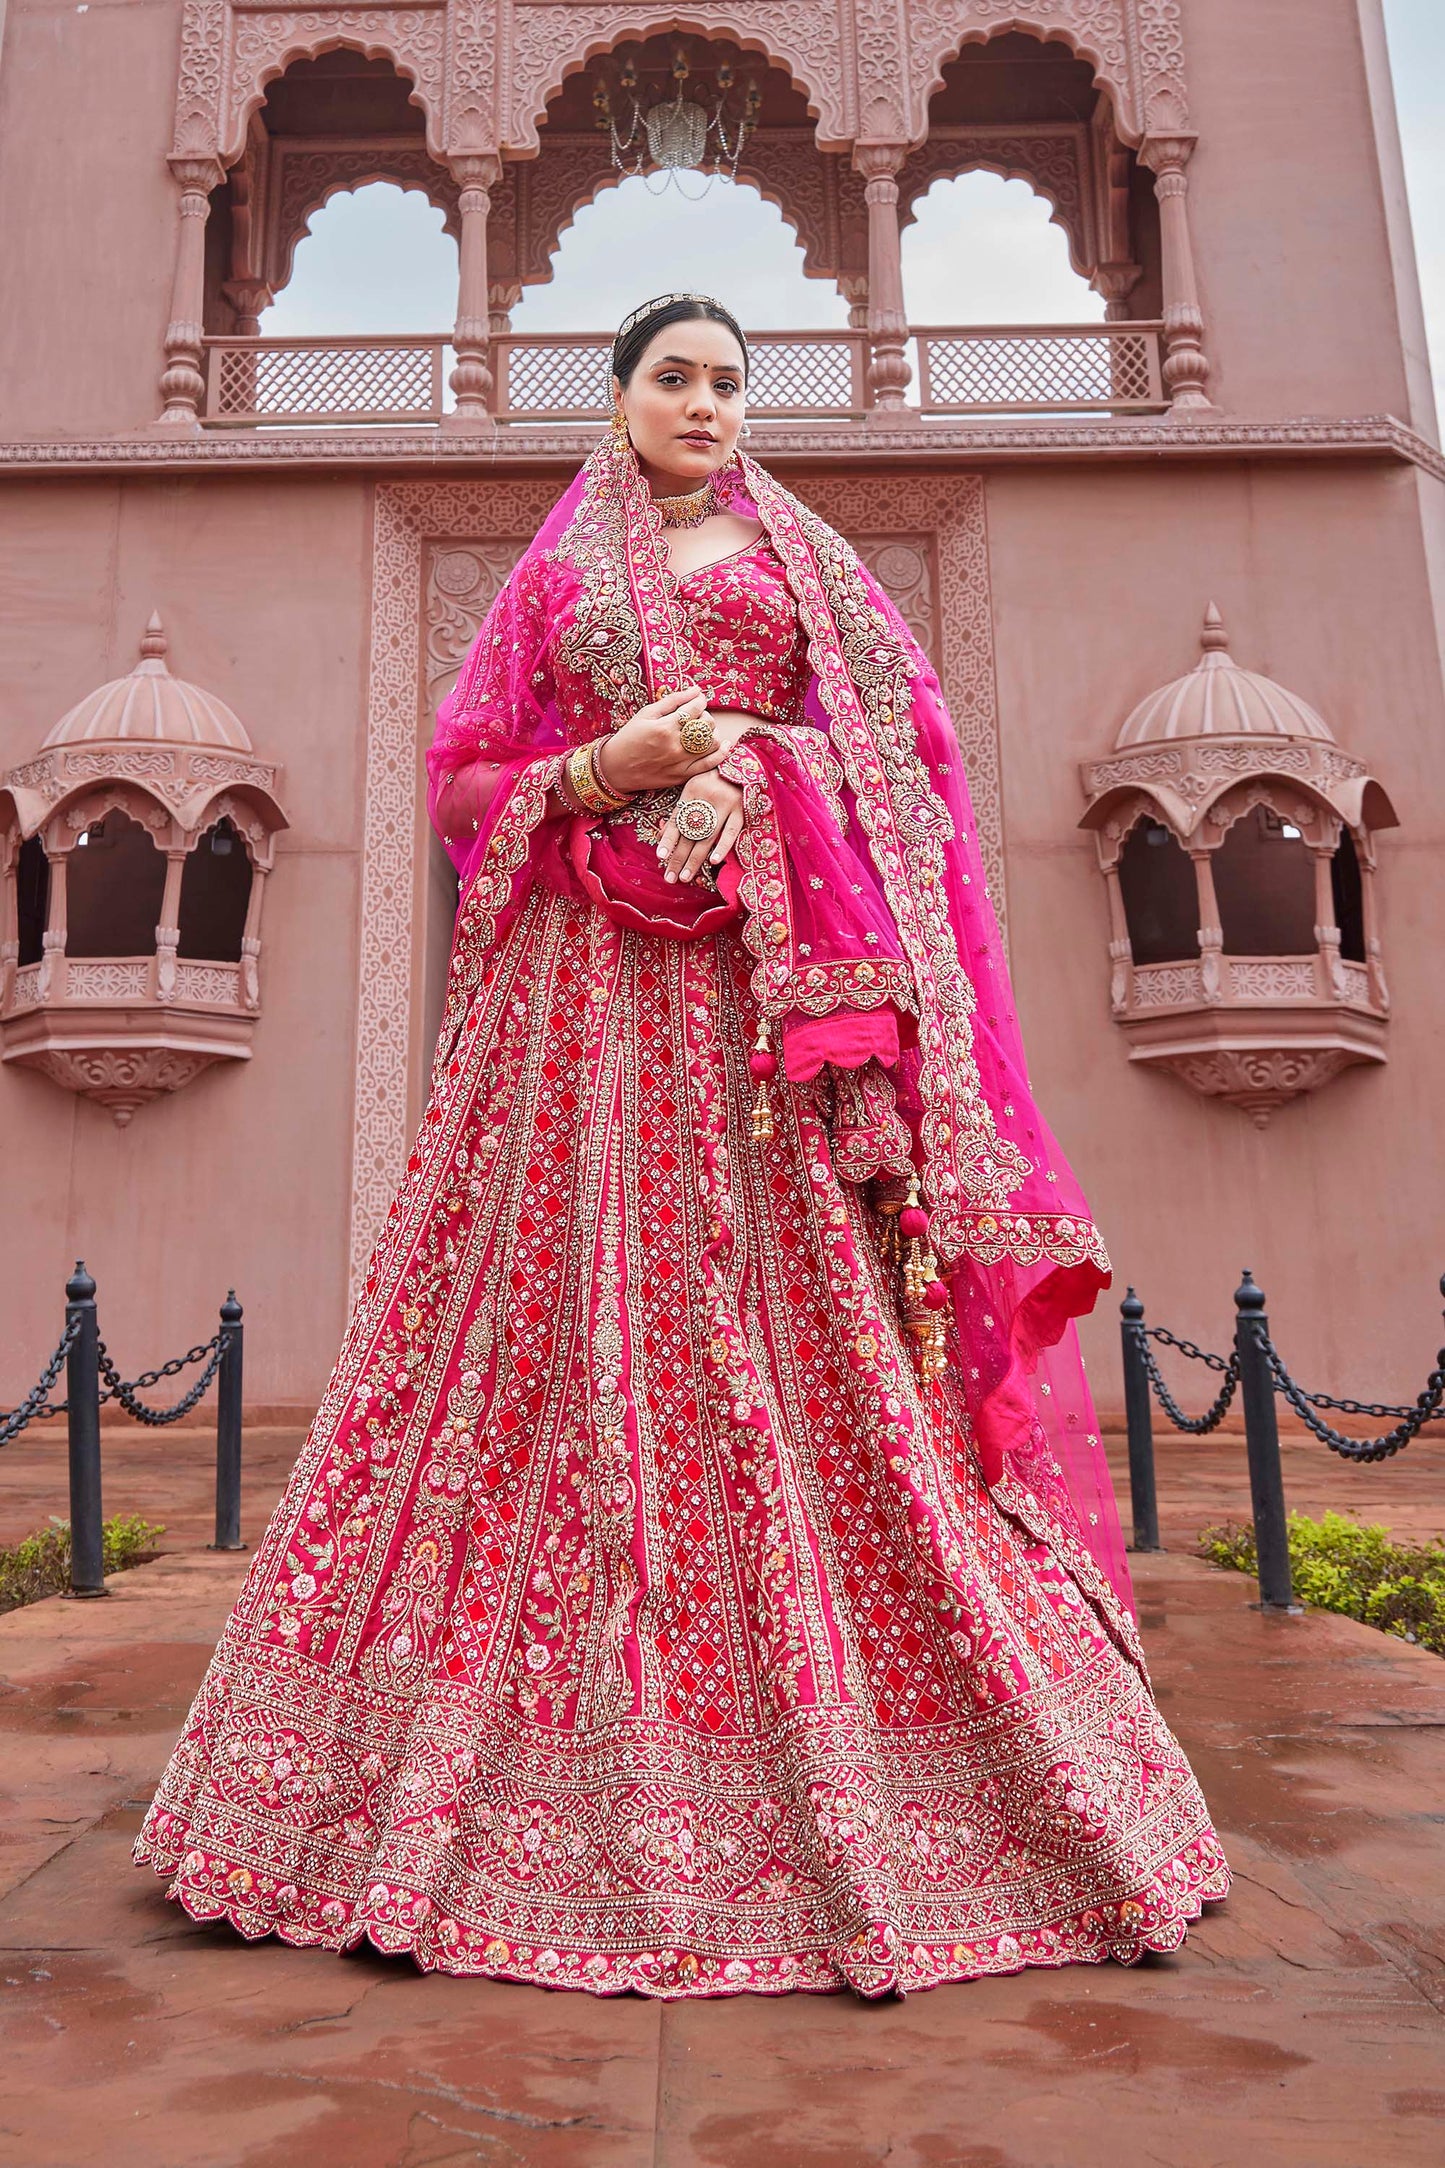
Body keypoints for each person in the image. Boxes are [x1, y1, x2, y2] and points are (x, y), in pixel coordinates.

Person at [136, 293, 1227, 1998]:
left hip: (752, 997)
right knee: (532, 1320)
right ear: (621, 397)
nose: (708, 405)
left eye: (729, 381)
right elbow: (458, 775)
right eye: (676, 379)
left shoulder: (811, 571)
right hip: (575, 1002)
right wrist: (599, 766)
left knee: (790, 1331)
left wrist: (760, 768)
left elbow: (911, 770)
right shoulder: (555, 583)